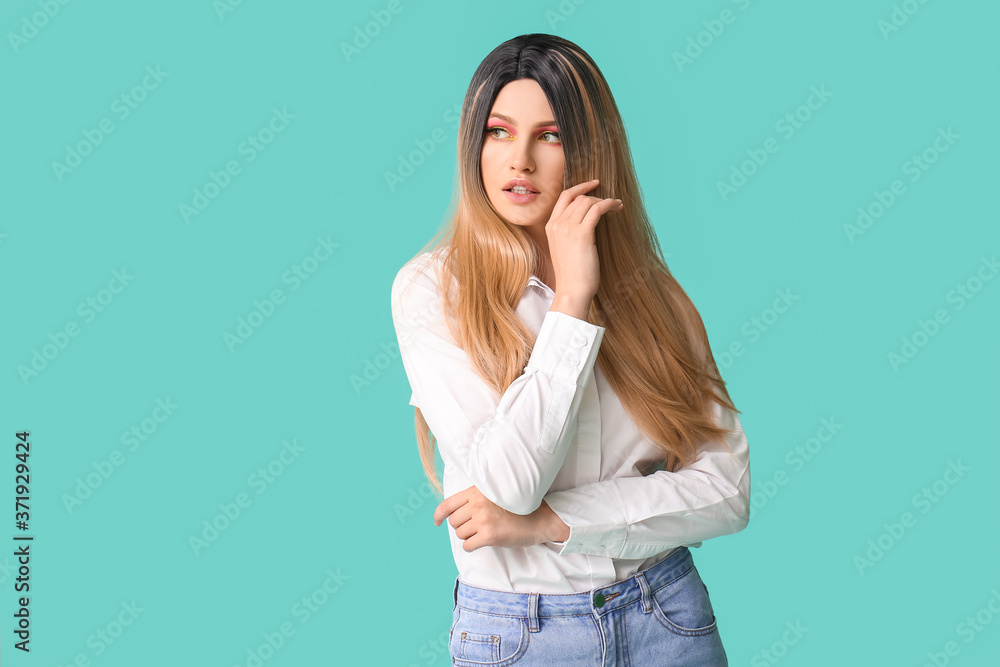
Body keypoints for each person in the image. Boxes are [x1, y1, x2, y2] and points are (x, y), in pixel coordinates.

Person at [390, 33, 750, 666]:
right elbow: (509, 484)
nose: (519, 160)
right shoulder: (431, 290)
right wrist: (572, 304)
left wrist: (553, 526)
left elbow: (726, 491)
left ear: (588, 151)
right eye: (498, 132)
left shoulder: (655, 298)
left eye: (550, 136)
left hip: (665, 616)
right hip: (517, 635)